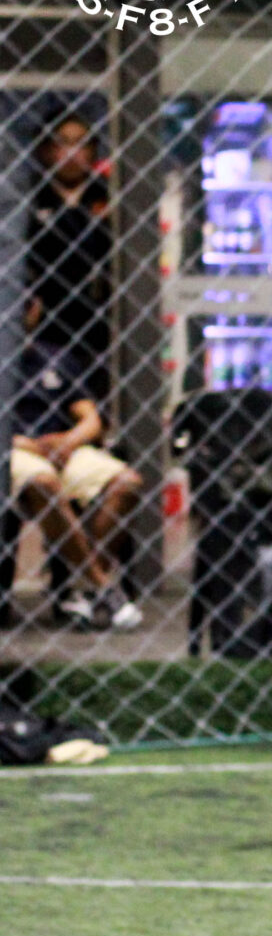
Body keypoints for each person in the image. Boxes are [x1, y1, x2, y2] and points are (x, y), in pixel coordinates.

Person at [9, 336, 145, 630]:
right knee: (43, 482)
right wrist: (26, 444)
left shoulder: (56, 358)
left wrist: (69, 441)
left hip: (60, 448)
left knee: (126, 482)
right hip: (13, 449)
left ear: (34, 313)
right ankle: (103, 586)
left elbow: (91, 419)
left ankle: (82, 592)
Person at [25, 115, 113, 367]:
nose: (72, 153)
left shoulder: (108, 196)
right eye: (62, 142)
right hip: (45, 327)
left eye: (81, 143)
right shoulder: (29, 199)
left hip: (101, 325)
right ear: (45, 150)